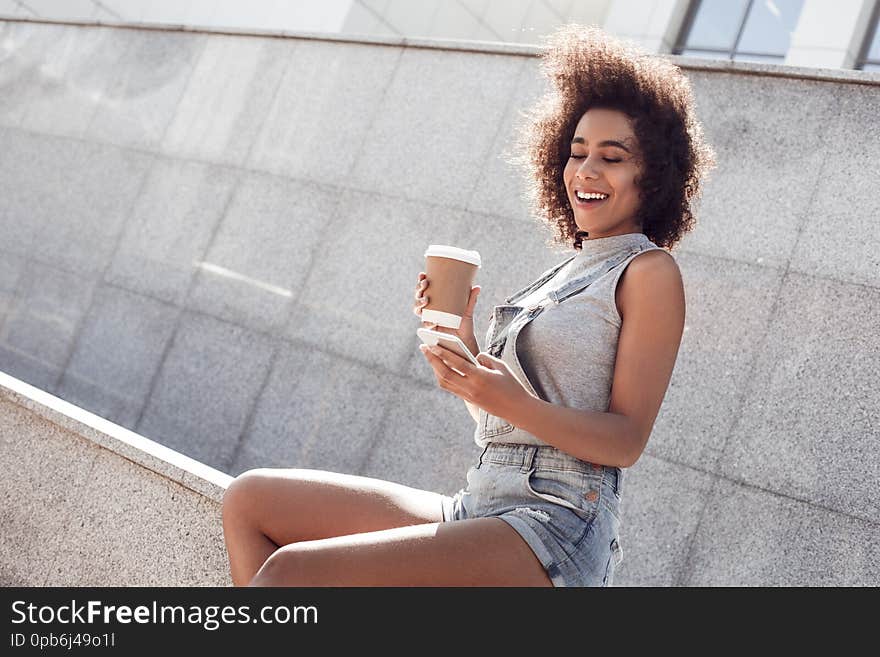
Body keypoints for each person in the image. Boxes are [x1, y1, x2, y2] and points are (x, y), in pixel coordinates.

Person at [221, 24, 716, 587]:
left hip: (556, 523)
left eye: (613, 157)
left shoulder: (648, 271)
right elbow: (505, 417)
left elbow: (625, 441)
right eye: (576, 153)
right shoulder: (565, 272)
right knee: (250, 501)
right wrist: (466, 355)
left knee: (291, 572)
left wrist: (507, 398)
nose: (586, 171)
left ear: (653, 176)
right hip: (480, 499)